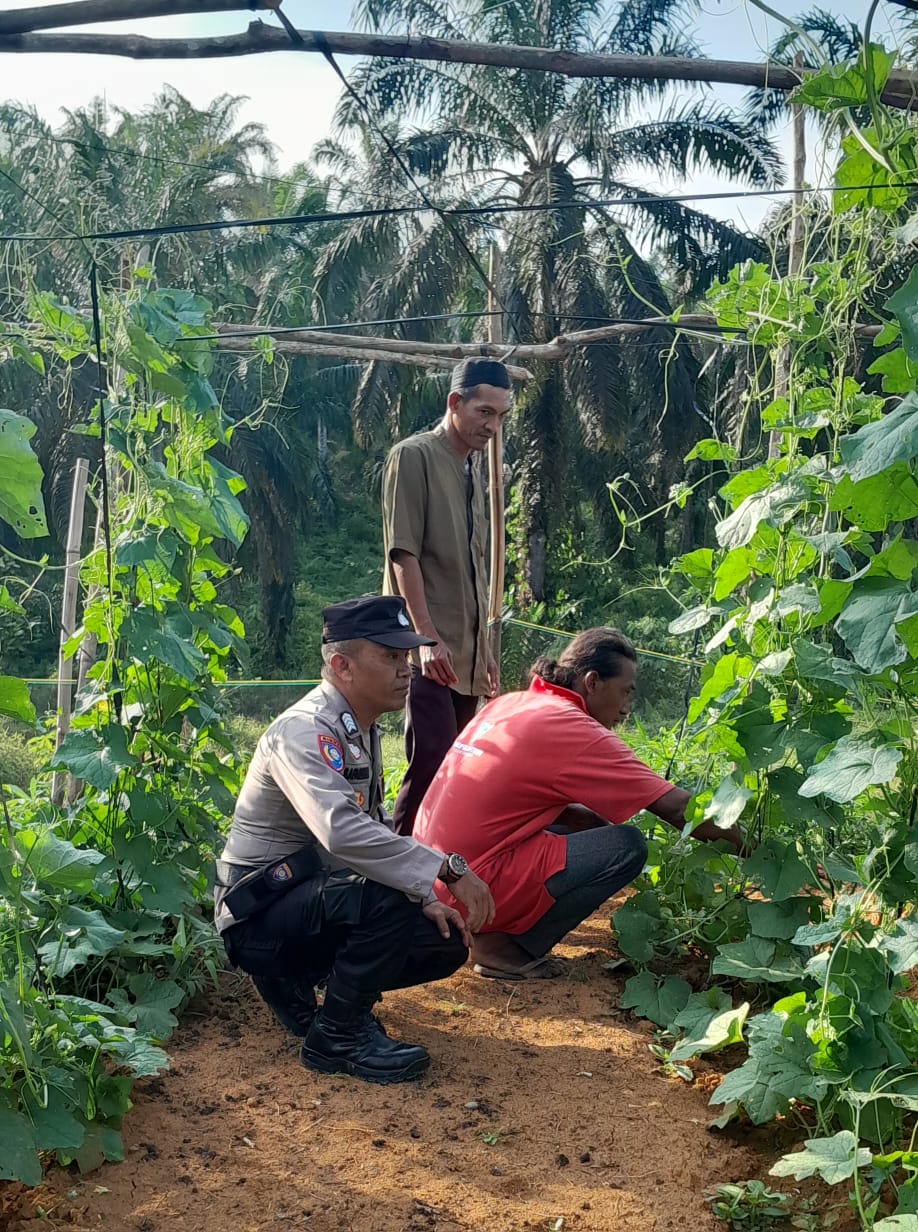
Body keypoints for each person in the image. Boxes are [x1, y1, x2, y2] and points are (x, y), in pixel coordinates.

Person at [213, 595, 495, 1084]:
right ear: (341, 665)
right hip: (258, 914)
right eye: (390, 656)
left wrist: (426, 895)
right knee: (388, 896)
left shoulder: (358, 728)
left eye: (407, 656)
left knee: (440, 940)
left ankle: (299, 984)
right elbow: (342, 832)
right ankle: (337, 1038)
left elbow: (375, 827)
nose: (406, 669)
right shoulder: (302, 731)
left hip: (307, 897)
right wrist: (445, 868)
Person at [414, 628, 745, 980]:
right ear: (592, 682)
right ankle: (502, 949)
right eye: (625, 692)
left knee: (583, 823)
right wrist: (753, 847)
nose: (626, 709)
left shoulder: (513, 702)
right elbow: (678, 808)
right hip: (464, 892)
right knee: (626, 847)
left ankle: (496, 932)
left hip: (430, 877)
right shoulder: (572, 727)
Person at [381, 357, 513, 835]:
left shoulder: (471, 470)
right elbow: (404, 555)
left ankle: (439, 876)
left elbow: (475, 570)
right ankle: (396, 882)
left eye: (500, 416)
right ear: (454, 403)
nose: (492, 426)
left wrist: (485, 654)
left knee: (457, 770)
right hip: (426, 650)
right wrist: (426, 639)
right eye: (484, 412)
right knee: (430, 762)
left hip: (465, 655)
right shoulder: (413, 455)